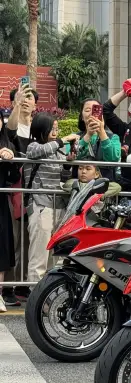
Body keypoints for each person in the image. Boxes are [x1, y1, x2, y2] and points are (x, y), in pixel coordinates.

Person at [24, 114, 79, 284]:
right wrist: (62, 141)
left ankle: (50, 293)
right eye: (52, 128)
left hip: (58, 205)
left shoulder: (57, 150)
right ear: (42, 129)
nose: (55, 131)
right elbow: (37, 152)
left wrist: (68, 163)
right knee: (39, 254)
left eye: (57, 128)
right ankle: (34, 292)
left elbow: (62, 178)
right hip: (41, 204)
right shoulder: (33, 146)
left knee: (55, 258)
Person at [4, 84, 39, 303]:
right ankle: (7, 287)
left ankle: (24, 285)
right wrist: (16, 107)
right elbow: (9, 132)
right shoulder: (11, 124)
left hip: (35, 191)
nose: (26, 101)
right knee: (13, 239)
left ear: (36, 104)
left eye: (29, 98)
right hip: (14, 190)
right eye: (22, 97)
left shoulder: (40, 128)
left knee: (29, 241)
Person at [0, 116, 21, 312]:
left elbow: (14, 177)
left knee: (2, 247)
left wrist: (10, 159)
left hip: (0, 202)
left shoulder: (7, 144)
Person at [76, 98, 122, 183]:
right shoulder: (75, 137)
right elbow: (73, 155)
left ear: (102, 116)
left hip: (106, 187)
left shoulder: (113, 137)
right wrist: (88, 135)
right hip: (80, 186)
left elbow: (113, 159)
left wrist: (102, 133)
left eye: (95, 110)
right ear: (82, 117)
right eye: (87, 110)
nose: (91, 113)